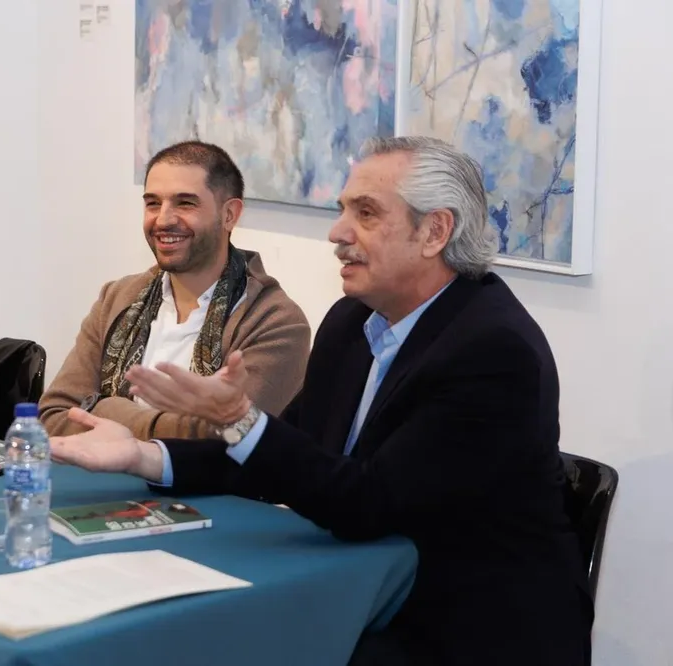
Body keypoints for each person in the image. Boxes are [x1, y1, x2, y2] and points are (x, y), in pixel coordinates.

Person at [49, 137, 593, 666]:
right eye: (342, 211)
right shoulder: (353, 320)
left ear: (434, 231)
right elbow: (286, 454)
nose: (337, 233)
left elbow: (366, 504)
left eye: (366, 214)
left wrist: (236, 419)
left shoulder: (492, 351)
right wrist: (143, 456)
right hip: (367, 594)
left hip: (465, 627)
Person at [39, 140, 310, 440]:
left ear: (229, 214)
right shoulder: (116, 298)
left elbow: (223, 439)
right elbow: (53, 416)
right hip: (98, 484)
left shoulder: (276, 323)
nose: (164, 219)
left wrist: (106, 408)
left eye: (185, 203)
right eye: (153, 203)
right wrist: (168, 425)